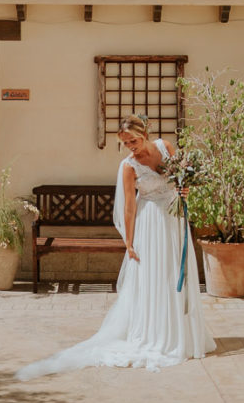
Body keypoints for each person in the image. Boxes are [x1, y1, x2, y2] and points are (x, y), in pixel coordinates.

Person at [15, 114, 215, 380]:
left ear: (144, 133)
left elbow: (181, 183)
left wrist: (184, 191)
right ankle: (156, 333)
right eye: (125, 143)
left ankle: (180, 333)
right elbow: (130, 208)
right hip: (151, 225)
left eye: (133, 140)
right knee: (155, 278)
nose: (131, 146)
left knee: (173, 276)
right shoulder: (129, 167)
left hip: (174, 221)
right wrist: (129, 243)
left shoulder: (166, 148)